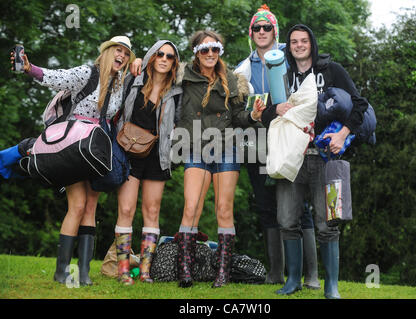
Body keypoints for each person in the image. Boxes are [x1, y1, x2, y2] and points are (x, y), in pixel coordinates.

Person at [10, 36, 135, 286]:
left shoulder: (121, 86)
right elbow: (57, 77)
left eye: (126, 53)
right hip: (74, 146)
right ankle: (61, 271)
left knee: (90, 208)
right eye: (117, 50)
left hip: (97, 149)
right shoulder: (87, 73)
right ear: (107, 52)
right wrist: (28, 68)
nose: (121, 55)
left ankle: (84, 273)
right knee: (76, 206)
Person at [261, 24, 369, 298]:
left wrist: (343, 134)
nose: (299, 45)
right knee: (287, 220)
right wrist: (276, 108)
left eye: (304, 41)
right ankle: (293, 281)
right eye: (293, 41)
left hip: (325, 158)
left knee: (327, 223)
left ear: (312, 43)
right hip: (290, 158)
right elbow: (266, 116)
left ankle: (331, 286)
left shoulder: (331, 70)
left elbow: (359, 105)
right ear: (288, 45)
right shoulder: (280, 74)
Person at [235, 4, 320, 289]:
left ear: (275, 30)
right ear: (251, 33)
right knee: (265, 205)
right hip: (257, 140)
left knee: (299, 205)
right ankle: (275, 272)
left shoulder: (291, 55)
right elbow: (239, 108)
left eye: (267, 27)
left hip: (289, 136)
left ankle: (312, 276)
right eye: (256, 28)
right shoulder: (243, 68)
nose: (261, 32)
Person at [174, 30, 264, 288]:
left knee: (224, 209)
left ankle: (223, 272)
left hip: (226, 146)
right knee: (192, 207)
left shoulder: (232, 80)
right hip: (193, 146)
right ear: (196, 53)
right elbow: (155, 67)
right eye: (205, 50)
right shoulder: (183, 78)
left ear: (220, 52)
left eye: (215, 49)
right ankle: (185, 269)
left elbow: (238, 118)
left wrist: (254, 117)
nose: (210, 54)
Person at [113, 40, 182, 286]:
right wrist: (136, 62)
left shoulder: (177, 91)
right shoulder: (134, 80)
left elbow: (179, 123)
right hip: (128, 152)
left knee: (152, 212)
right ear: (152, 56)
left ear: (175, 62)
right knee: (126, 210)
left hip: (157, 156)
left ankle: (144, 271)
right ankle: (122, 271)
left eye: (170, 56)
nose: (164, 58)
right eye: (160, 54)